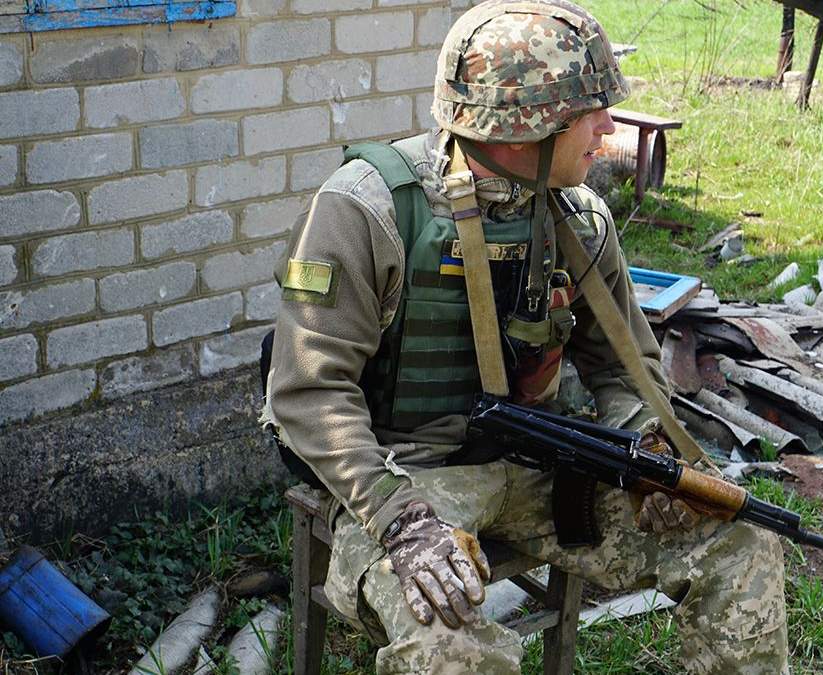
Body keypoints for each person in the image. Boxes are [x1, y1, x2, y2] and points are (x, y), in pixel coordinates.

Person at [261, 1, 787, 672]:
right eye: (589, 112)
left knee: (738, 542)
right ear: (522, 130)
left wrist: (650, 454)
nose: (608, 128)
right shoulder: (366, 209)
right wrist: (403, 521)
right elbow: (309, 391)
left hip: (541, 469)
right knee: (448, 646)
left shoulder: (580, 218)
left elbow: (623, 368)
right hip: (405, 481)